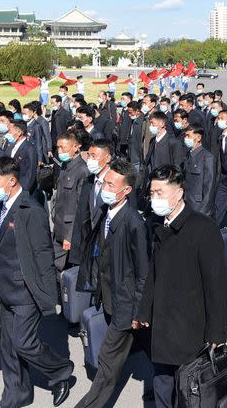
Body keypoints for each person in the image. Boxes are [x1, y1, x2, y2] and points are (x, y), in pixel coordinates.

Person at [135, 165, 227, 408]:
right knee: (162, 383)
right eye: (152, 193)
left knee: (188, 389)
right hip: (162, 324)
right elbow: (153, 272)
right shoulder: (157, 225)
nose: (154, 199)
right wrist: (144, 310)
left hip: (190, 327)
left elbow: (216, 286)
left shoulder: (203, 228)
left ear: (179, 194)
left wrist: (216, 333)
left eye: (160, 193)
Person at [0, 157, 74, 407]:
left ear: (11, 181)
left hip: (25, 291)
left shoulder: (31, 211)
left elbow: (44, 257)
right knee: (9, 347)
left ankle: (61, 371)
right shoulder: (1, 206)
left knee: (24, 343)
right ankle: (16, 396)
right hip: (5, 289)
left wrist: (48, 299)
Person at [74, 159, 150, 408]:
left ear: (126, 190)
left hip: (125, 303)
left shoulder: (133, 223)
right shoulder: (107, 212)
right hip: (108, 296)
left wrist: (139, 310)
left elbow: (142, 272)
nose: (104, 187)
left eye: (110, 184)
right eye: (105, 182)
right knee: (142, 347)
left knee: (107, 360)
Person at [69, 140, 114, 267]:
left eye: (94, 156)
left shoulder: (117, 182)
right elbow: (80, 216)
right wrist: (75, 255)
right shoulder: (88, 182)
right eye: (89, 155)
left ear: (108, 158)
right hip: (88, 248)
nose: (90, 159)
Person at [51, 131, 89, 274]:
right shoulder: (65, 166)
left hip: (68, 230)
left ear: (75, 147)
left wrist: (69, 236)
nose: (59, 151)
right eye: (58, 147)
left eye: (63, 147)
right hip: (58, 226)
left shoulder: (82, 170)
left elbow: (79, 207)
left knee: (59, 267)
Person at [181, 124, 216, 218]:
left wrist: (204, 211)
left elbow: (209, 187)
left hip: (198, 205)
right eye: (185, 136)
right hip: (186, 202)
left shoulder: (207, 157)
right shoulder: (188, 155)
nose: (186, 138)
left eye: (189, 136)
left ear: (198, 137)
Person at [5, 120, 38, 194]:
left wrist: (24, 190)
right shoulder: (10, 146)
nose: (8, 133)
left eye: (10, 131)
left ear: (19, 132)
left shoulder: (29, 149)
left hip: (22, 188)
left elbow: (31, 172)